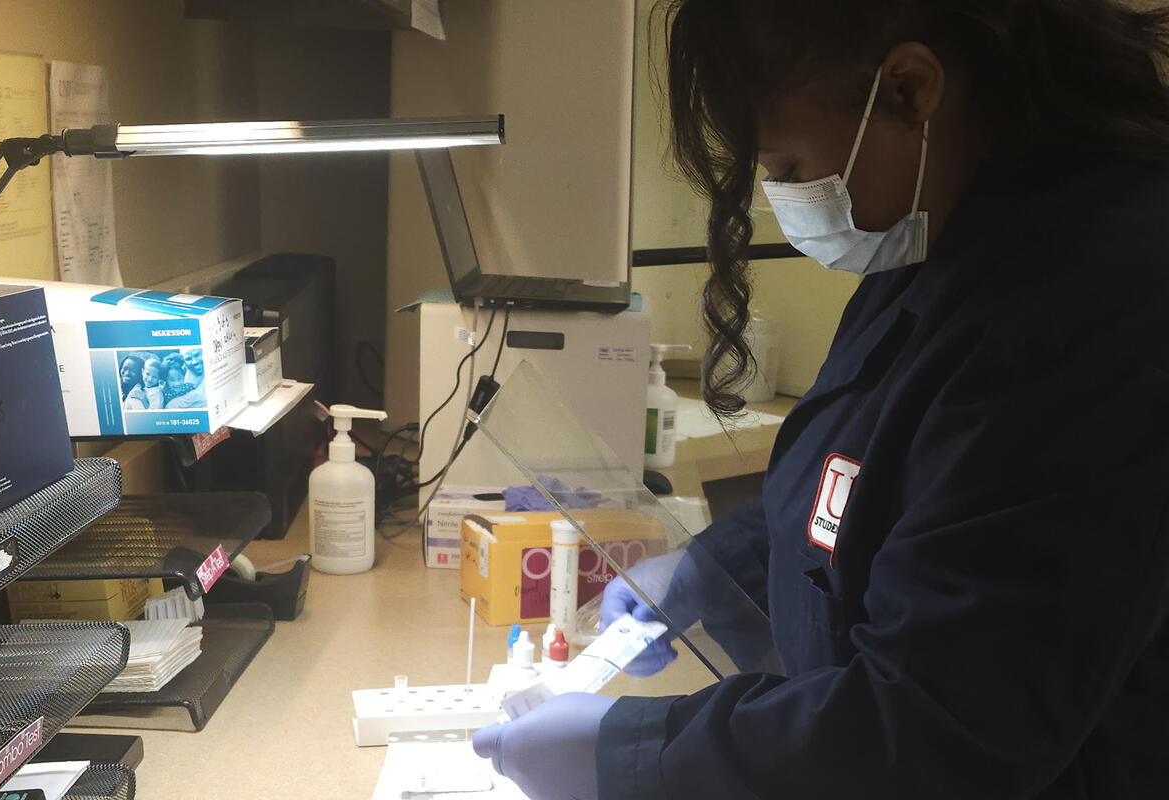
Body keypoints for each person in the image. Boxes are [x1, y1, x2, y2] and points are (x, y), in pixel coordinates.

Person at [472, 1, 1169, 798]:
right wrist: (710, 567)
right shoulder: (944, 242)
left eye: (791, 171)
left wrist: (635, 755)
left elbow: (942, 727)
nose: (785, 200)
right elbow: (871, 497)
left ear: (909, 88)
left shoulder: (1091, 307)